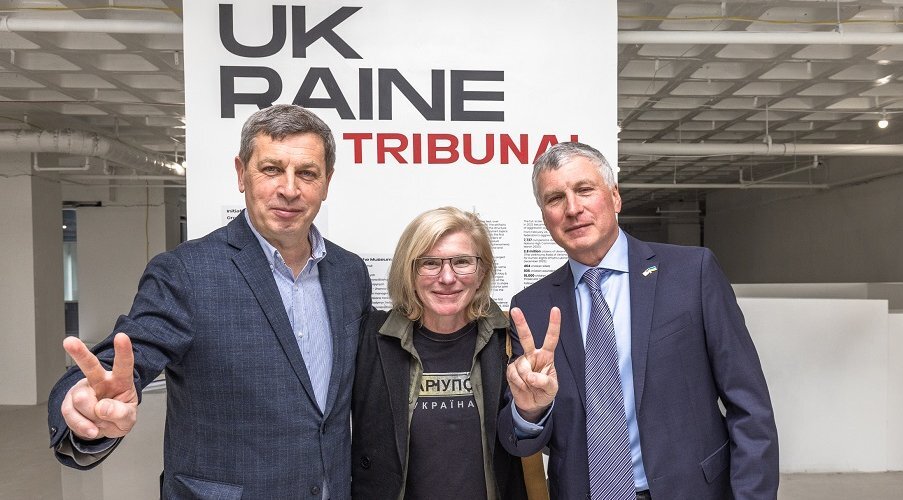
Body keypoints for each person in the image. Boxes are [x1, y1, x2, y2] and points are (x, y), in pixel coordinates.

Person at [46, 104, 371, 499]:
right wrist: (87, 402)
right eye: (271, 169)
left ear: (326, 181)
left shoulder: (349, 273)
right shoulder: (186, 272)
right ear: (241, 173)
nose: (289, 189)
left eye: (307, 173)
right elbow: (132, 353)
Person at [499, 142, 779, 499]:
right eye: (555, 199)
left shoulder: (692, 273)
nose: (572, 208)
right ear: (544, 216)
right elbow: (519, 442)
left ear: (615, 197)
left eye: (584, 190)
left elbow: (750, 406)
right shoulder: (531, 307)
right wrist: (530, 410)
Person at [352, 207, 555, 499]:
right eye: (429, 263)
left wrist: (530, 411)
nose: (447, 277)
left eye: (462, 262)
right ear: (409, 272)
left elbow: (520, 445)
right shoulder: (372, 339)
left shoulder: (507, 341)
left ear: (482, 272)